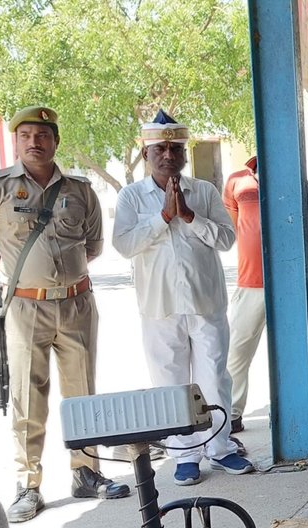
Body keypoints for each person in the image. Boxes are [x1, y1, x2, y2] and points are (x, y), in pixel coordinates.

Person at [0, 106, 127, 522]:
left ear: (55, 141)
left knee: (82, 392)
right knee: (27, 396)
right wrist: (19, 274)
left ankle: (87, 472)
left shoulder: (80, 189)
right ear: (16, 142)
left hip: (77, 303)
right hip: (25, 306)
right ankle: (28, 484)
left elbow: (92, 246)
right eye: (26, 136)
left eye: (42, 135)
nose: (34, 142)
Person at [113, 110, 254, 485]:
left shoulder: (204, 192)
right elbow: (124, 244)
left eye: (176, 148)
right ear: (146, 154)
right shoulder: (131, 197)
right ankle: (183, 454)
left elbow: (226, 239)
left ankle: (220, 448)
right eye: (160, 148)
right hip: (159, 306)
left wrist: (190, 217)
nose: (168, 155)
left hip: (205, 302)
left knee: (214, 377)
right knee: (170, 382)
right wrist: (162, 217)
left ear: (185, 153)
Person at [223, 156, 265, 435]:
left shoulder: (298, 181)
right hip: (250, 281)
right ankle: (232, 412)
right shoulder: (238, 180)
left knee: (301, 349)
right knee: (237, 351)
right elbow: (235, 225)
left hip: (292, 283)